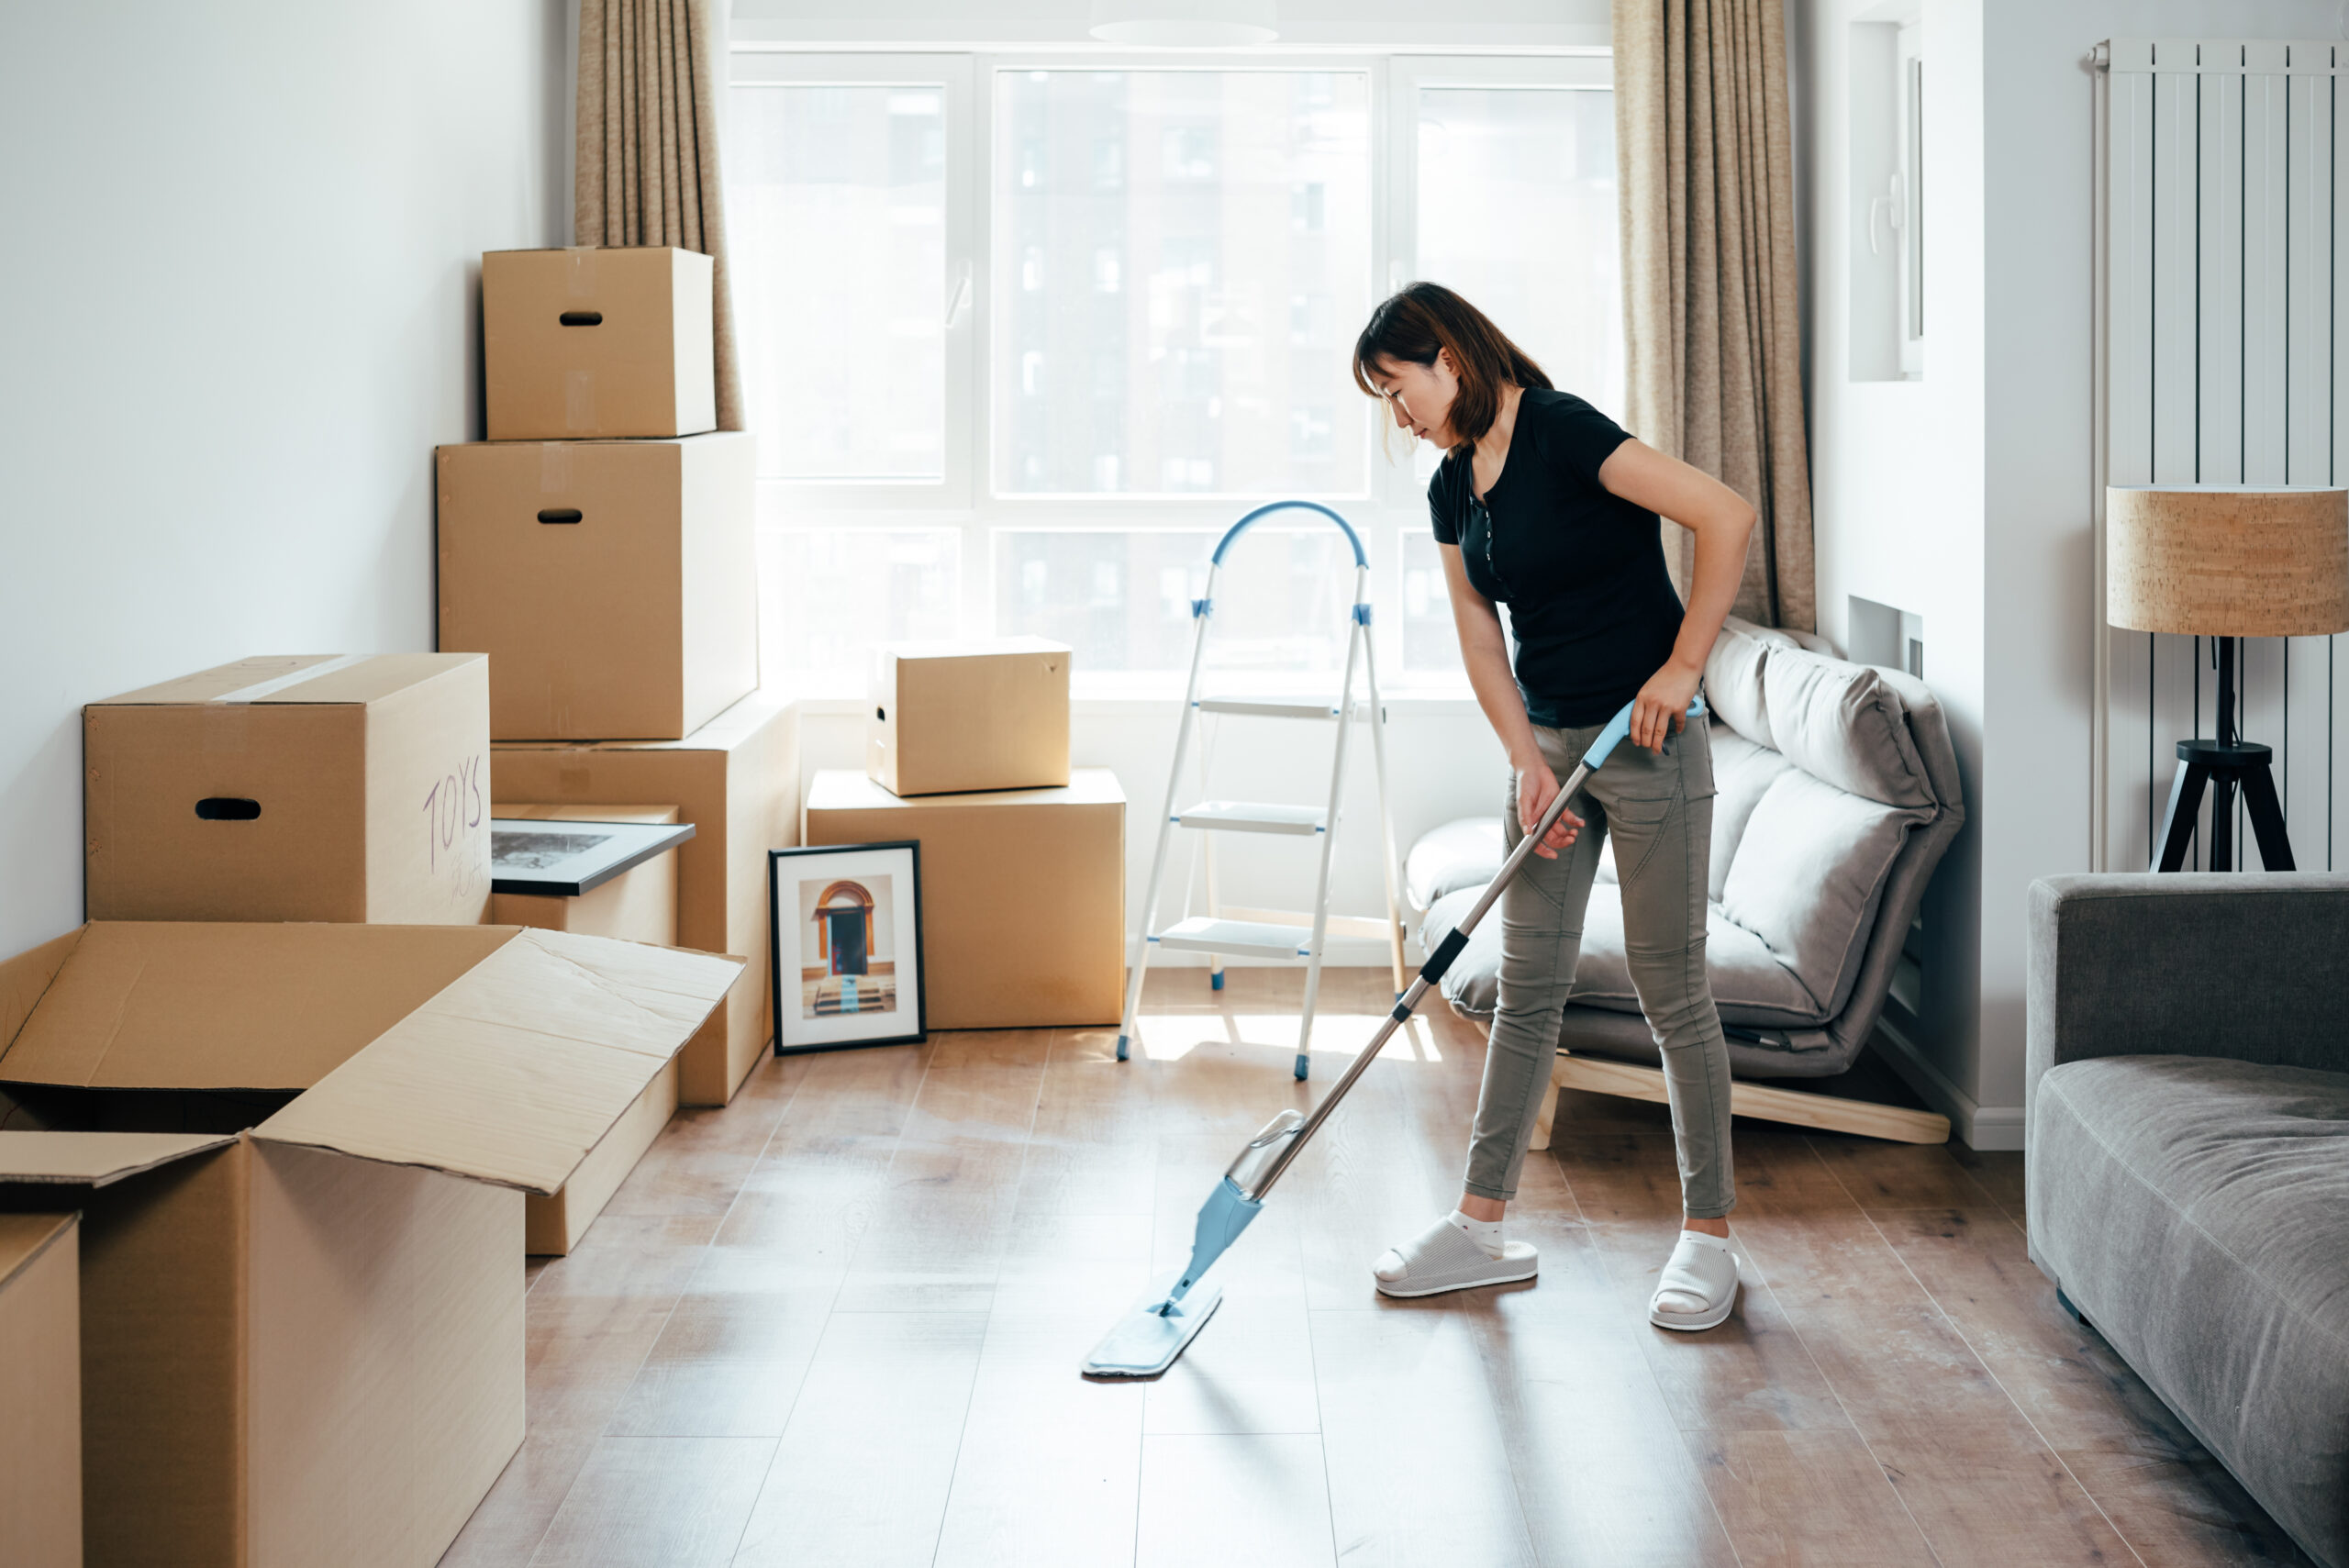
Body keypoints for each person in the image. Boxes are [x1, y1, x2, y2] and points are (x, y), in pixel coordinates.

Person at [1352, 283, 1756, 1330]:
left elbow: (1724, 513)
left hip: (1652, 742)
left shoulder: (1564, 429)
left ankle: (1708, 1236)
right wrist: (1524, 759)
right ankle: (1480, 1225)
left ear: (1445, 355)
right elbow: (1480, 635)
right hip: (1553, 753)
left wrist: (1682, 665)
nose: (1400, 417)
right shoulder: (1454, 488)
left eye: (1398, 390)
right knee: (1526, 989)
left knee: (1672, 989)